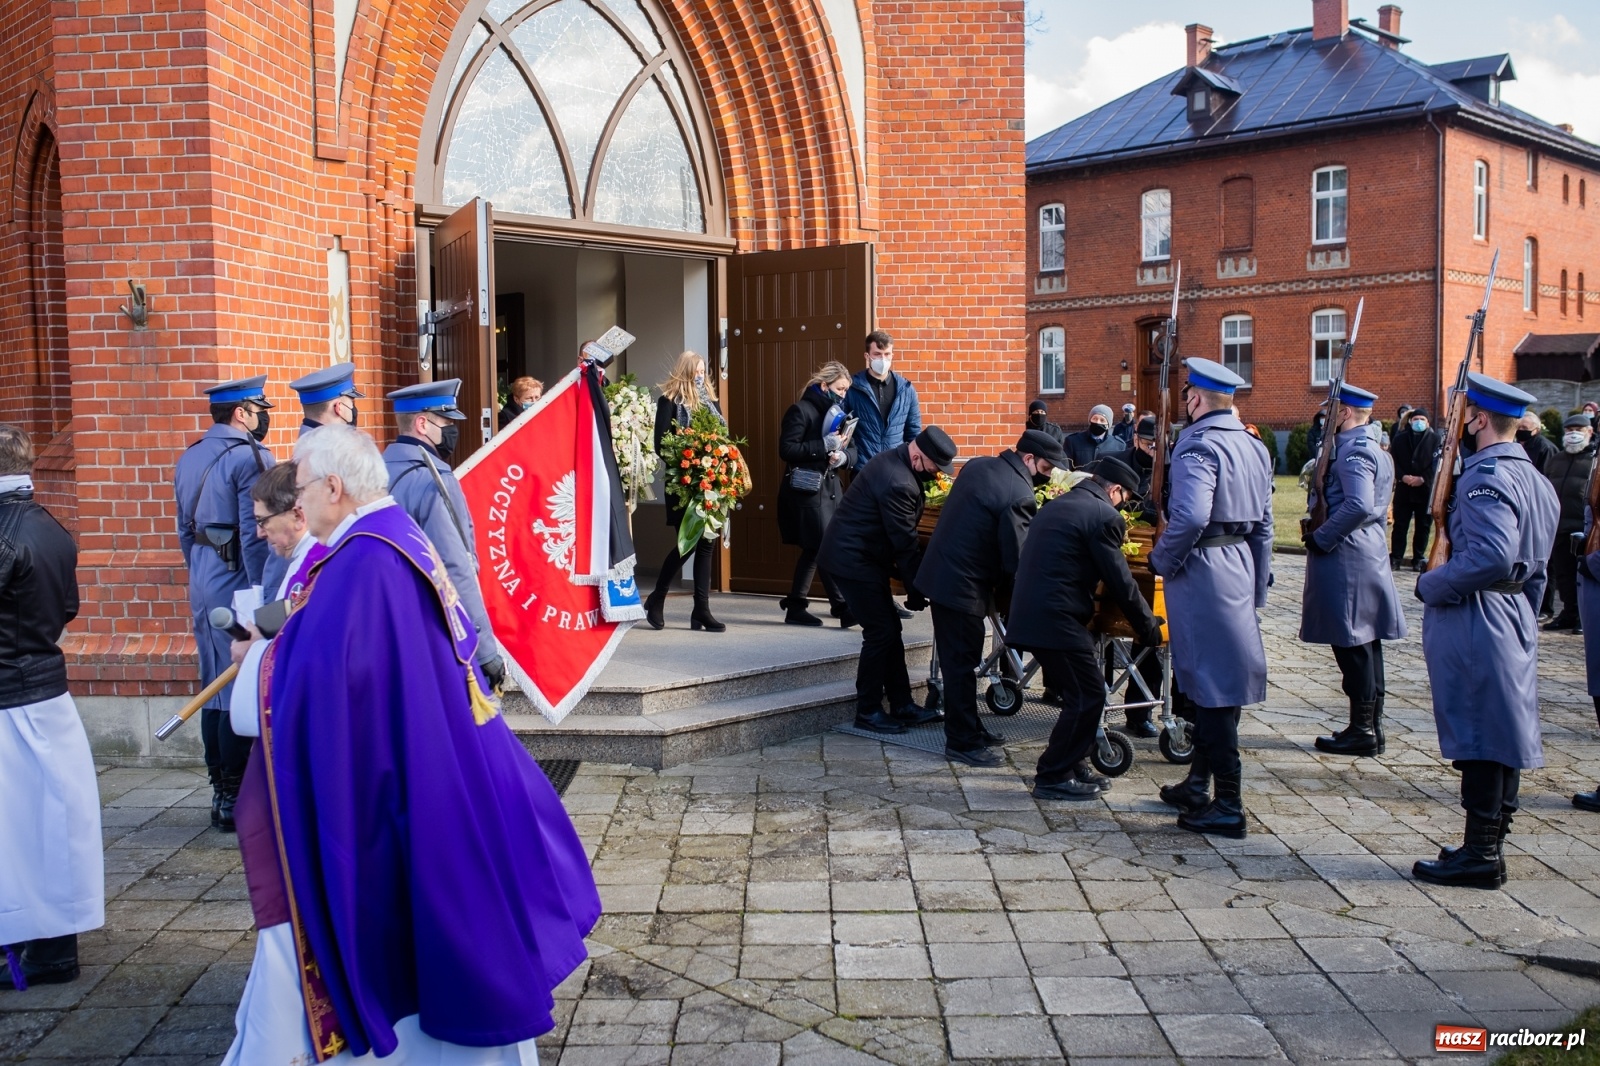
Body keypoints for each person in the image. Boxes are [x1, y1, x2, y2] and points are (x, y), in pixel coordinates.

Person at [220, 424, 599, 1062]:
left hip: (401, 772)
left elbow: (326, 677)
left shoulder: (364, 562)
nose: (298, 504)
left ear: (334, 488)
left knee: (420, 909)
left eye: (303, 490)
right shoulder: (391, 534)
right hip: (429, 749)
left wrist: (257, 661)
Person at [1412, 375, 1558, 889]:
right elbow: (1537, 566)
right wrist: (1522, 612)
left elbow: (1491, 554)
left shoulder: (1485, 476)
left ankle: (1480, 855)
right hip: (1511, 610)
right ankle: (1489, 845)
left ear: (1476, 419)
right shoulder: (1534, 477)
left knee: (1479, 735)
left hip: (1479, 613)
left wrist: (1433, 584)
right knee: (1501, 733)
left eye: (1463, 415)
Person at [1149, 358, 1273, 839]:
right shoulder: (1253, 445)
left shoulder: (1198, 443)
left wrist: (1162, 560)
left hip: (1204, 569)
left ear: (1195, 399)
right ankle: (1199, 783)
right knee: (1211, 682)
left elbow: (1192, 516)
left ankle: (1229, 804)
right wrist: (1256, 585)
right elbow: (1264, 524)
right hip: (1237, 564)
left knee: (1212, 685)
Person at [0, 426, 104, 988]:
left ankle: (28, 948)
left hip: (8, 699)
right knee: (51, 828)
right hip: (46, 693)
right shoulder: (54, 527)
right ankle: (53, 949)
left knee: (16, 832)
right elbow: (67, 609)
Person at [1010, 456, 1163, 799]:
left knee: (1080, 694)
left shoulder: (1060, 505)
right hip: (1056, 618)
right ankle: (1053, 775)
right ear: (1115, 489)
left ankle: (1073, 763)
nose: (1123, 506)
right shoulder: (1103, 516)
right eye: (1125, 498)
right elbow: (1121, 581)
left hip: (1036, 613)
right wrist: (1148, 626)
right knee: (1089, 695)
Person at [919, 429, 1065, 766]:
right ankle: (962, 742)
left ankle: (971, 727)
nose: (1047, 476)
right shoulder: (1019, 493)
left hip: (944, 576)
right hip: (962, 587)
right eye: (1046, 468)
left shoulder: (978, 464)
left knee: (960, 663)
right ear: (1029, 458)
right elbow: (1017, 559)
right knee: (960, 665)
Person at [173, 374, 276, 830]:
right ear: (241, 413)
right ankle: (232, 797)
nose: (262, 418)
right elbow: (256, 533)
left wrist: (199, 571)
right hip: (237, 579)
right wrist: (263, 594)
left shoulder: (191, 454)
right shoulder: (250, 456)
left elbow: (183, 528)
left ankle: (220, 789)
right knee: (236, 683)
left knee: (212, 684)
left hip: (203, 574)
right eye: (258, 410)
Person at [818, 427, 958, 734]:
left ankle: (902, 704)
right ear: (918, 457)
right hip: (852, 561)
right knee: (881, 632)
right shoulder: (899, 481)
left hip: (862, 558)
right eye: (935, 467)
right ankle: (868, 711)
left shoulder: (896, 461)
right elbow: (905, 544)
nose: (936, 473)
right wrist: (917, 591)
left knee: (889, 630)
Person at [1299, 383, 1408, 757]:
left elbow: (1358, 504)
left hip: (1348, 554)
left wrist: (1322, 537)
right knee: (1365, 642)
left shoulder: (1353, 451)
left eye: (1329, 410)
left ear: (1344, 413)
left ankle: (1363, 730)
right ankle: (1370, 726)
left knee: (1352, 644)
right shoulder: (1369, 447)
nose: (1323, 416)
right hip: (1363, 550)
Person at [384, 380, 504, 687]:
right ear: (422, 424)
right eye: (446, 422)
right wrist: (484, 650)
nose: (452, 430)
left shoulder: (377, 471)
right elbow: (455, 565)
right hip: (432, 628)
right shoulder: (433, 479)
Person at [645, 351, 727, 632]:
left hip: (710, 482)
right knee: (687, 543)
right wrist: (690, 459)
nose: (700, 377)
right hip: (682, 483)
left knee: (707, 544)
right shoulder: (668, 401)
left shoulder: (710, 402)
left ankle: (701, 610)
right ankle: (657, 597)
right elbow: (661, 444)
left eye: (703, 372)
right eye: (696, 372)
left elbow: (722, 436)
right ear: (685, 373)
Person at [776, 362, 857, 627]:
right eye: (839, 389)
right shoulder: (801, 410)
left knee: (815, 549)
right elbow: (787, 449)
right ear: (824, 386)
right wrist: (822, 445)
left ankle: (797, 605)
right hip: (808, 491)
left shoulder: (841, 415)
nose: (843, 394)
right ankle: (842, 607)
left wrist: (842, 457)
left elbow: (854, 451)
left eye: (845, 390)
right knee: (822, 546)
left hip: (831, 491)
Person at [1540, 415, 1595, 632]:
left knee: (1583, 575)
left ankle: (1583, 616)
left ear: (1589, 432)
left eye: (1578, 429)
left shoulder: (1594, 460)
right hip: (1559, 525)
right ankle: (1569, 613)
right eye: (1569, 429)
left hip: (1584, 528)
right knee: (1563, 574)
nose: (1573, 433)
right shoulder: (1557, 460)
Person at [844, 330, 922, 470]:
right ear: (867, 356)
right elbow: (842, 429)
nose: (883, 359)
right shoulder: (852, 387)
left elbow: (913, 432)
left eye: (887, 354)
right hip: (863, 468)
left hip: (896, 468)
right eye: (877, 354)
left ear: (892, 355)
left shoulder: (906, 389)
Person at [251, 462, 318, 601]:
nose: (260, 533)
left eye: (263, 521)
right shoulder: (306, 558)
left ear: (297, 517)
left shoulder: (312, 566)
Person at [1389, 405, 1440, 571]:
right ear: (1410, 421)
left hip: (1424, 490)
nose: (1419, 422)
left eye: (1422, 419)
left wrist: (1423, 479)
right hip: (1404, 489)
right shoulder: (1400, 439)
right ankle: (1396, 557)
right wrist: (1402, 476)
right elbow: (1393, 460)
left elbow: (1438, 464)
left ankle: (1418, 558)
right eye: (1416, 419)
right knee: (1400, 525)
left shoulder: (1436, 440)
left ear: (1428, 422)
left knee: (1423, 526)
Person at [287, 363, 361, 437]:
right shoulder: (335, 443)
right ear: (338, 407)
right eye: (351, 403)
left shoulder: (306, 439)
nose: (353, 409)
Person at [1063, 404, 1128, 469]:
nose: (1098, 422)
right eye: (1095, 418)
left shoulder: (1119, 445)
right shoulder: (1073, 441)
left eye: (1102, 420)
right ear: (1090, 421)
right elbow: (1066, 468)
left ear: (1108, 425)